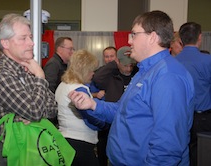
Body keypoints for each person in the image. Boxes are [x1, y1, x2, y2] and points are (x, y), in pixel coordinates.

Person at [69, 10, 195, 165]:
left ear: (152, 37)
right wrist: (93, 105)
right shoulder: (145, 71)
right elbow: (123, 111)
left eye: (134, 34)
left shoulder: (168, 76)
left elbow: (167, 145)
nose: (129, 40)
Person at [0, 13, 58, 166]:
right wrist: (39, 77)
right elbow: (35, 111)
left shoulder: (28, 67)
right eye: (23, 38)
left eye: (30, 37)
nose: (31, 43)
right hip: (7, 152)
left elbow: (53, 108)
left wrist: (31, 113)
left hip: (32, 146)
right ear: (6, 43)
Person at [55, 49, 109, 166]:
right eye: (91, 70)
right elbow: (91, 119)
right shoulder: (80, 89)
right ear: (84, 70)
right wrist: (106, 124)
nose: (93, 73)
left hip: (64, 139)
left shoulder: (63, 85)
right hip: (80, 143)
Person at [92, 46, 138, 166]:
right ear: (118, 62)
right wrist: (114, 63)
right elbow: (97, 77)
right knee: (104, 149)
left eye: (131, 65)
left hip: (132, 122)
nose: (128, 68)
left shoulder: (138, 75)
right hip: (112, 120)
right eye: (125, 65)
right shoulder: (111, 76)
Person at [175, 22, 211, 166]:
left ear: (180, 41)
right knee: (203, 154)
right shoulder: (208, 60)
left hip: (179, 117)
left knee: (182, 152)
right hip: (203, 118)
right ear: (200, 37)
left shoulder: (172, 62)